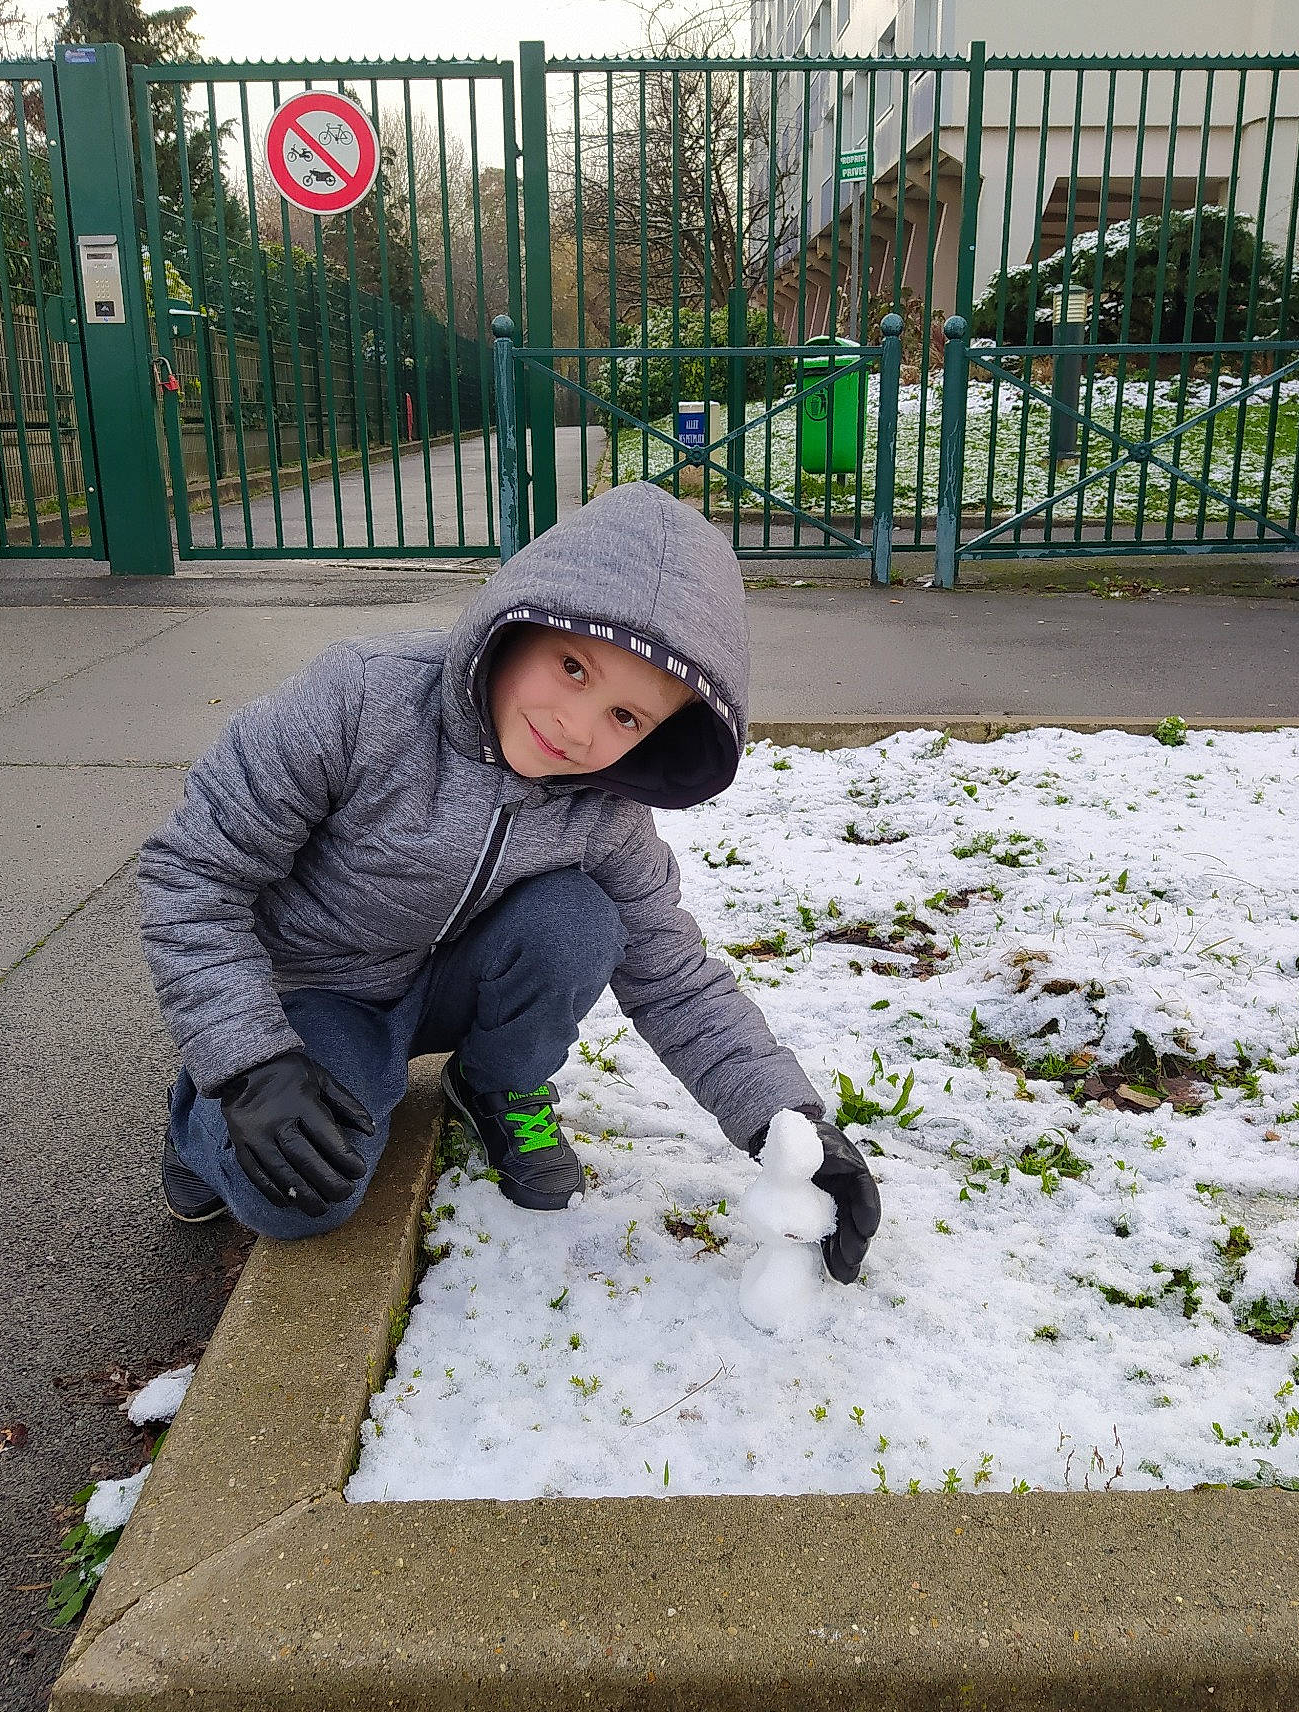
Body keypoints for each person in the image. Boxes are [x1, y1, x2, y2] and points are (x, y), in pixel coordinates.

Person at [137, 481, 880, 1283]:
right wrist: (248, 1062)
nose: (576, 727)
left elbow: (673, 977)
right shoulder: (360, 699)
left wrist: (790, 1128)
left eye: (626, 717)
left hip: (448, 982)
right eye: (573, 667)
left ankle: (494, 1085)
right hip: (319, 992)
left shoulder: (606, 811)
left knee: (582, 920)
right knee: (298, 1197)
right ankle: (198, 1121)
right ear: (519, 619)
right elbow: (194, 876)